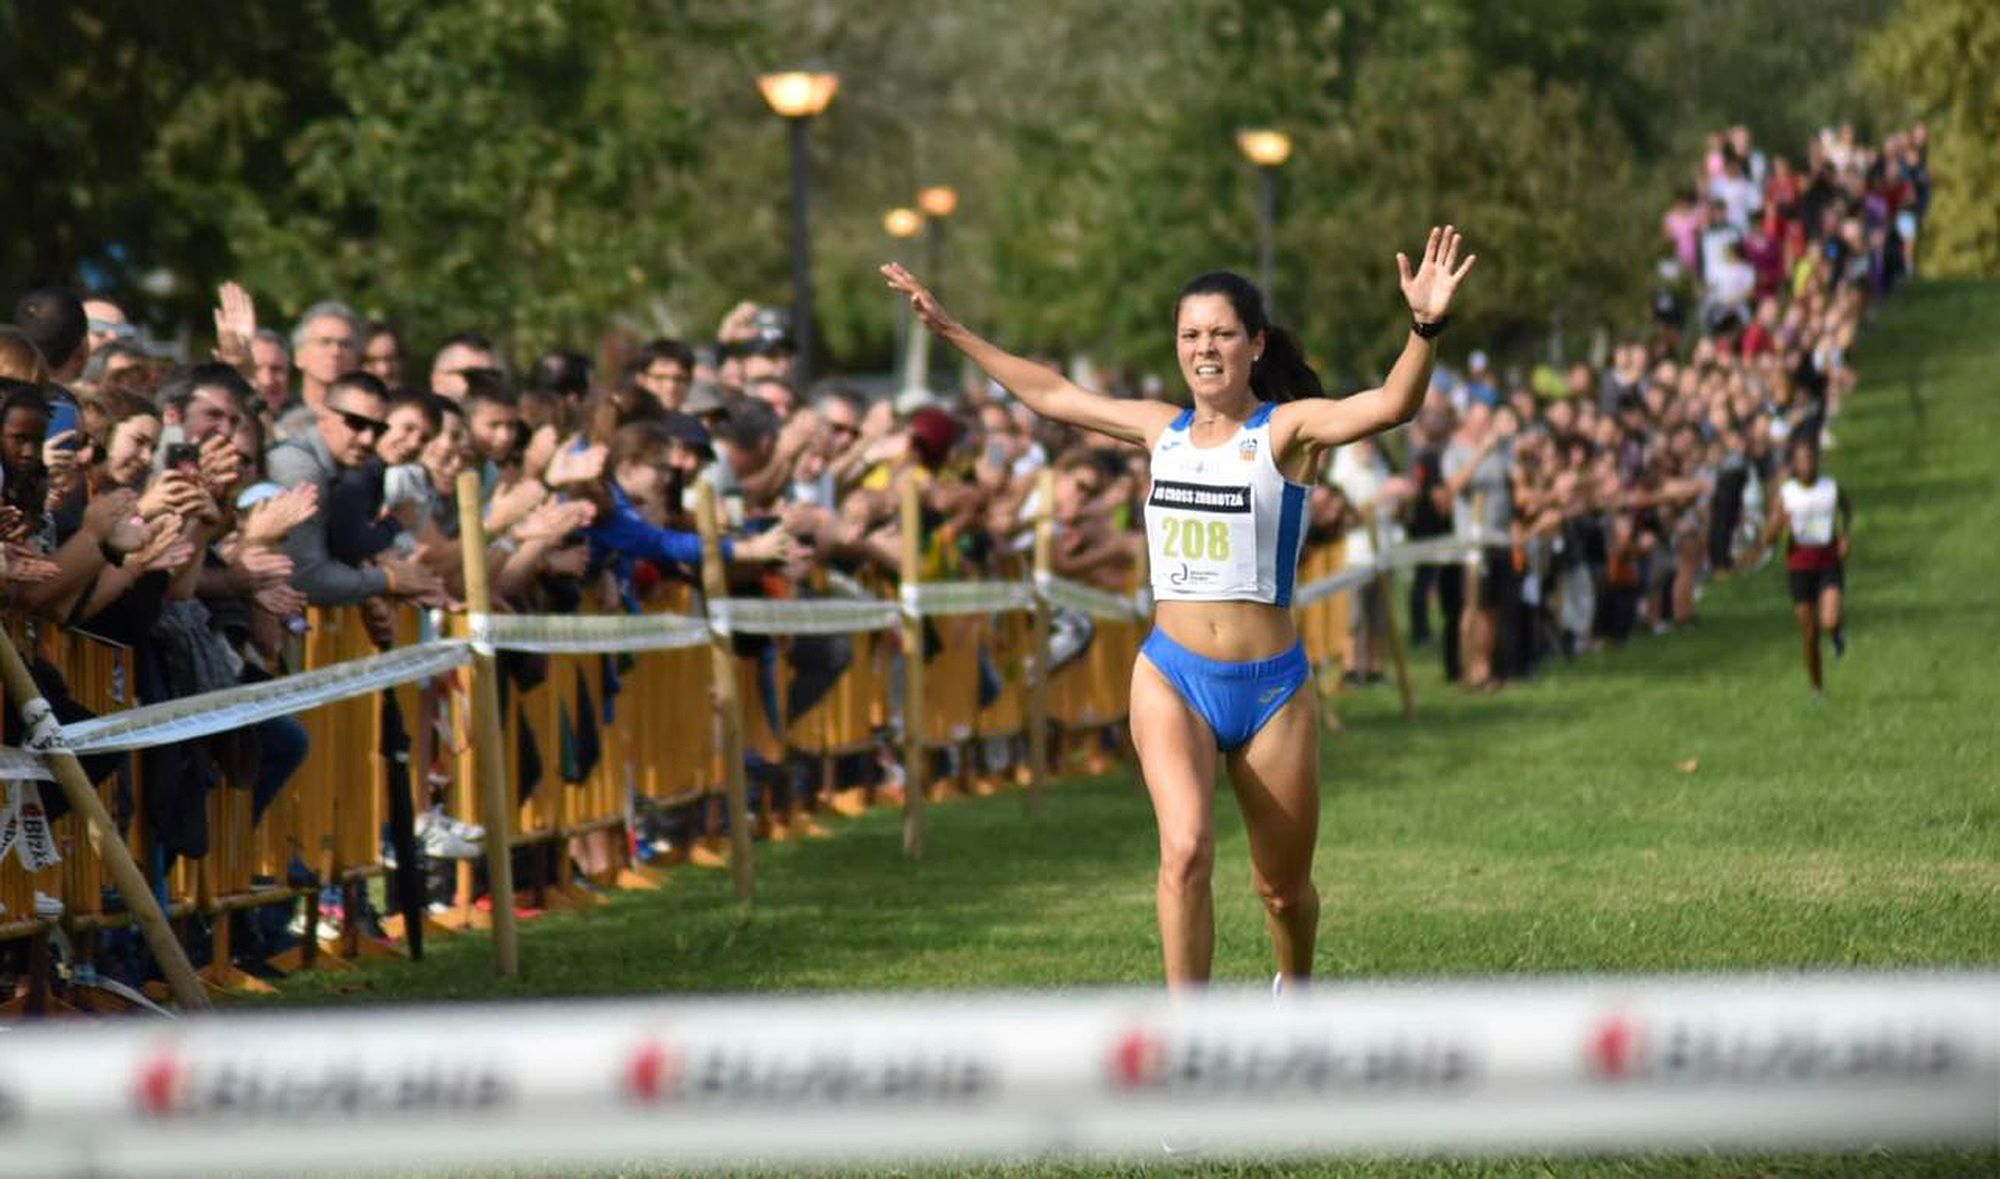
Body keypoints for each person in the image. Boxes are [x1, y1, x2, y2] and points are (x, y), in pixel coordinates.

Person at [883, 225, 1478, 990]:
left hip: (1272, 689)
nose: (1205, 347)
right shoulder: (1157, 431)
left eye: (1223, 333)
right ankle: (1185, 1048)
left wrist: (1424, 325)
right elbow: (1055, 395)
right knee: (1187, 848)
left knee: (1283, 891)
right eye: (1190, 333)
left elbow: (1393, 404)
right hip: (1172, 676)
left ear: (1255, 344)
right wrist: (956, 331)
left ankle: (1295, 996)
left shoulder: (1287, 432)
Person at [1762, 436, 1850, 697]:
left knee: (1829, 619)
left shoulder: (1830, 488)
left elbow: (1846, 511)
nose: (1808, 465)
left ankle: (1836, 633)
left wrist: (1845, 536)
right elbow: (1769, 539)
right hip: (1800, 567)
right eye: (1802, 461)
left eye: (1811, 459)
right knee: (1809, 634)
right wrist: (1777, 524)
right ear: (1795, 465)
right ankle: (1817, 687)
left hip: (1828, 561)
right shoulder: (1786, 494)